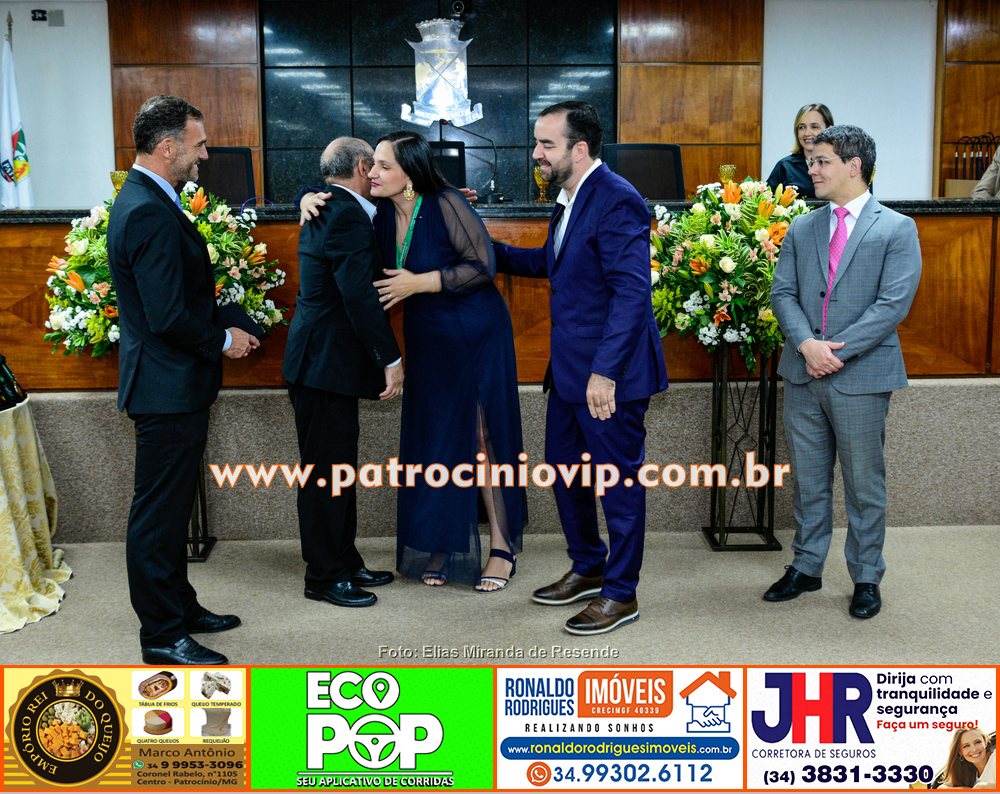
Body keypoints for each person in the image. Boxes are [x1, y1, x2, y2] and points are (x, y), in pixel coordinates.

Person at [300, 132, 526, 590]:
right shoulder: (379, 212)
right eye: (372, 165)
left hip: (475, 332)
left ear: (410, 174)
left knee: (482, 436)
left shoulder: (445, 202)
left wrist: (420, 283)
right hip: (428, 338)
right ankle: (443, 542)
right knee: (435, 438)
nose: (372, 172)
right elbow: (335, 197)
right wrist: (304, 197)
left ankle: (502, 548)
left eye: (383, 166)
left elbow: (482, 266)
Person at [493, 101, 669, 635]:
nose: (537, 153)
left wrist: (605, 373)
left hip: (608, 378)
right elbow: (553, 263)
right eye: (537, 142)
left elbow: (632, 293)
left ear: (580, 149)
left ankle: (621, 593)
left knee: (617, 486)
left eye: (547, 144)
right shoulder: (569, 198)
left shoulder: (617, 199)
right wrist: (485, 248)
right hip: (569, 374)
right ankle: (589, 566)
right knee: (565, 472)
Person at [107, 95, 259, 666]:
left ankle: (181, 607)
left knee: (170, 511)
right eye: (198, 145)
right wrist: (224, 339)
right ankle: (162, 635)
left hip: (171, 384)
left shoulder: (147, 197)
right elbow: (167, 316)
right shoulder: (147, 208)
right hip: (165, 387)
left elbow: (175, 299)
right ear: (167, 147)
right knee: (158, 516)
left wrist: (228, 319)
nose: (205, 155)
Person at [766, 125, 922, 619]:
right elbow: (782, 293)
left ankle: (866, 577)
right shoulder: (802, 227)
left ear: (854, 166)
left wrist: (834, 352)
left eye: (821, 161)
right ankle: (807, 566)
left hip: (862, 376)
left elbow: (892, 304)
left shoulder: (896, 228)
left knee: (863, 484)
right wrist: (807, 345)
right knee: (809, 481)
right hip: (803, 373)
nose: (810, 169)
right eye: (811, 161)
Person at [282, 138, 403, 609]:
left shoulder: (326, 204)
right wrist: (389, 359)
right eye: (374, 166)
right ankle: (324, 575)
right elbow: (358, 295)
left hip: (322, 363)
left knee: (337, 471)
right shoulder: (346, 213)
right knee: (325, 476)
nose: (376, 175)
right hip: (322, 364)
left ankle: (344, 560)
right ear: (362, 165)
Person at [766, 103, 834, 199]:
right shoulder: (785, 166)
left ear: (829, 130)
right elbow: (766, 202)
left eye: (814, 127)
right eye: (802, 127)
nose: (807, 133)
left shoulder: (840, 163)